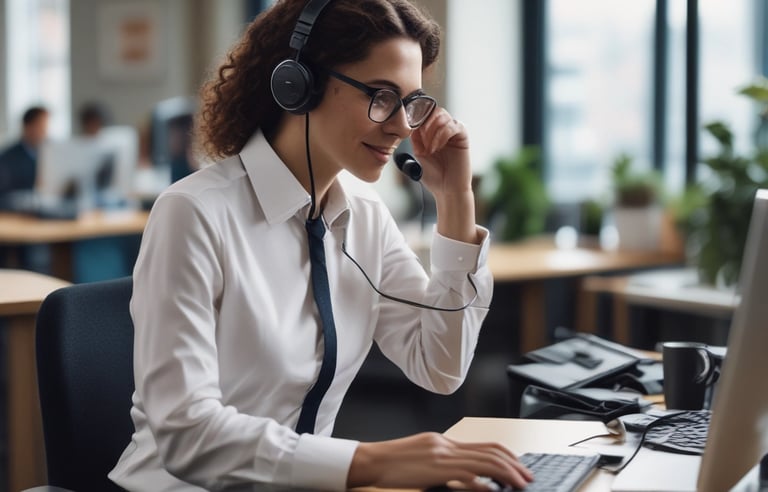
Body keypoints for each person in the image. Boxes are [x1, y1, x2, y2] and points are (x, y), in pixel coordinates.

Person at [109, 1, 533, 490]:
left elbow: (440, 365)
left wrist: (455, 200)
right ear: (298, 84)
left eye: (411, 102)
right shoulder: (195, 213)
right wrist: (371, 463)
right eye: (380, 96)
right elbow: (188, 432)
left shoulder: (366, 216)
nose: (400, 126)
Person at [0, 105, 49, 201]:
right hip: (18, 212)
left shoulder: (48, 156)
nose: (45, 133)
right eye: (41, 127)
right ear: (27, 126)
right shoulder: (7, 158)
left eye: (46, 128)